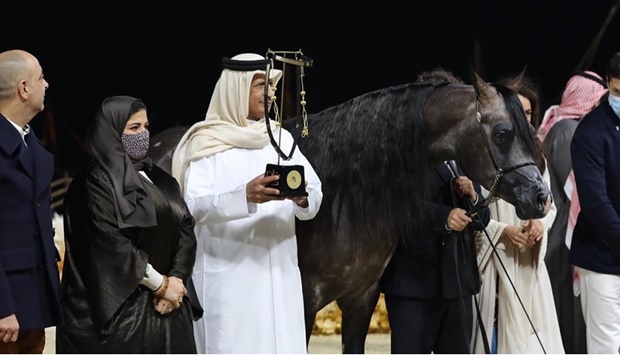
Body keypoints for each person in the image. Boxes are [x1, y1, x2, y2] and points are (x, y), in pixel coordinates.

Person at [171, 53, 323, 354]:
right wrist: (244, 196)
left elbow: (315, 190)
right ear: (236, 89)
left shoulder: (280, 139)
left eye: (270, 86)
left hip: (278, 278)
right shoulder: (206, 142)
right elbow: (191, 206)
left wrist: (303, 198)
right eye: (259, 85)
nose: (268, 93)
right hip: (228, 281)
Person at [55, 96, 203, 353]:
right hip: (119, 321)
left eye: (146, 127)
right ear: (110, 131)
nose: (143, 134)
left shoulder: (161, 179)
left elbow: (185, 229)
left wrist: (177, 279)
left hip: (167, 311)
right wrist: (162, 285)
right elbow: (109, 244)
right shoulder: (94, 183)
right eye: (134, 128)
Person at [379, 68, 490, 354]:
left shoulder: (461, 153)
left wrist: (474, 195)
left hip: (457, 284)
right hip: (413, 286)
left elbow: (484, 219)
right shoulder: (400, 151)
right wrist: (443, 217)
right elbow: (395, 206)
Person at [471, 74, 564, 354]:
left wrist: (539, 223)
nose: (523, 119)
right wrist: (502, 231)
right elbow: (473, 206)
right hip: (496, 259)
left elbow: (550, 205)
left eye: (528, 112)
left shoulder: (537, 155)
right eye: (517, 112)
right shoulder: (486, 153)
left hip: (527, 264)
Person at [540, 70, 607, 353]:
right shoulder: (567, 131)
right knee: (571, 320)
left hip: (575, 241)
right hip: (563, 246)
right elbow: (582, 186)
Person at [0, 49, 62, 354]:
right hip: (6, 311)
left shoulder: (29, 141)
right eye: (40, 78)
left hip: (32, 302)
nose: (46, 84)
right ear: (23, 88)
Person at [569, 51, 620, 353]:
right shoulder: (591, 131)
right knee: (607, 348)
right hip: (602, 260)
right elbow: (595, 202)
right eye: (617, 91)